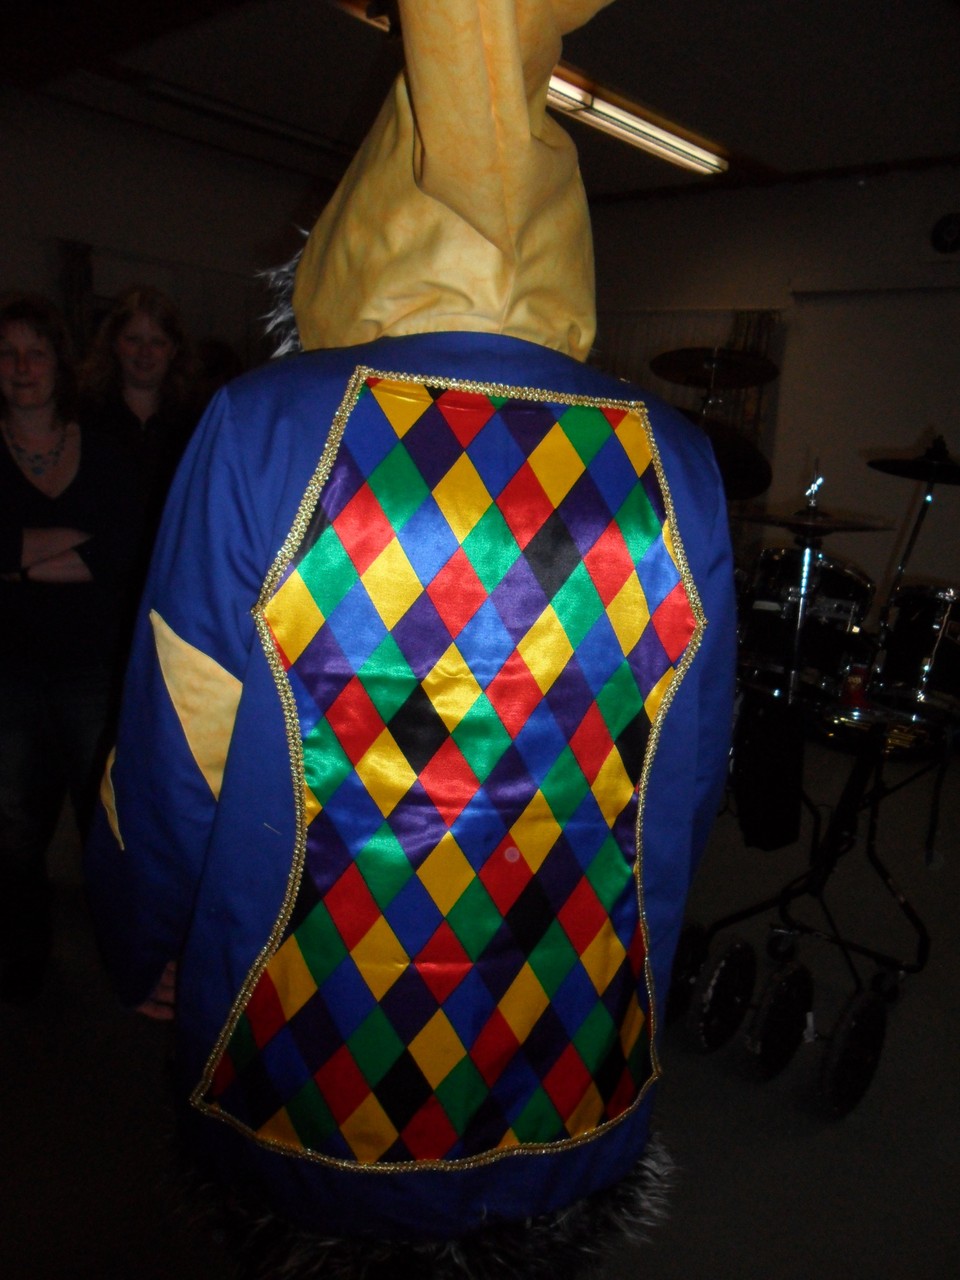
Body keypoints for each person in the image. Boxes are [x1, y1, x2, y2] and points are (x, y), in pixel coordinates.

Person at [85, 1, 736, 1273]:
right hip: (564, 1030)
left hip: (308, 1038)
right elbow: (687, 778)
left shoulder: (265, 426)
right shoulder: (678, 462)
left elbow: (173, 754)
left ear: (363, 224)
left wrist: (141, 935)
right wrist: (636, 983)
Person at [0, 294, 138, 1004]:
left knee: (104, 820)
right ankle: (23, 965)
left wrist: (19, 560)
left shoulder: (104, 449)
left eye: (36, 353)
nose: (22, 367)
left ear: (61, 363)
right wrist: (70, 544)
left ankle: (126, 962)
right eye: (8, 354)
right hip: (8, 669)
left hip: (90, 666)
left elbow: (121, 552)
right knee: (12, 828)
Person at [80, 284, 196, 543]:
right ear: (114, 343)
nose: (145, 352)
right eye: (133, 340)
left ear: (173, 350)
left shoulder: (193, 421)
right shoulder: (84, 414)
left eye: (157, 342)